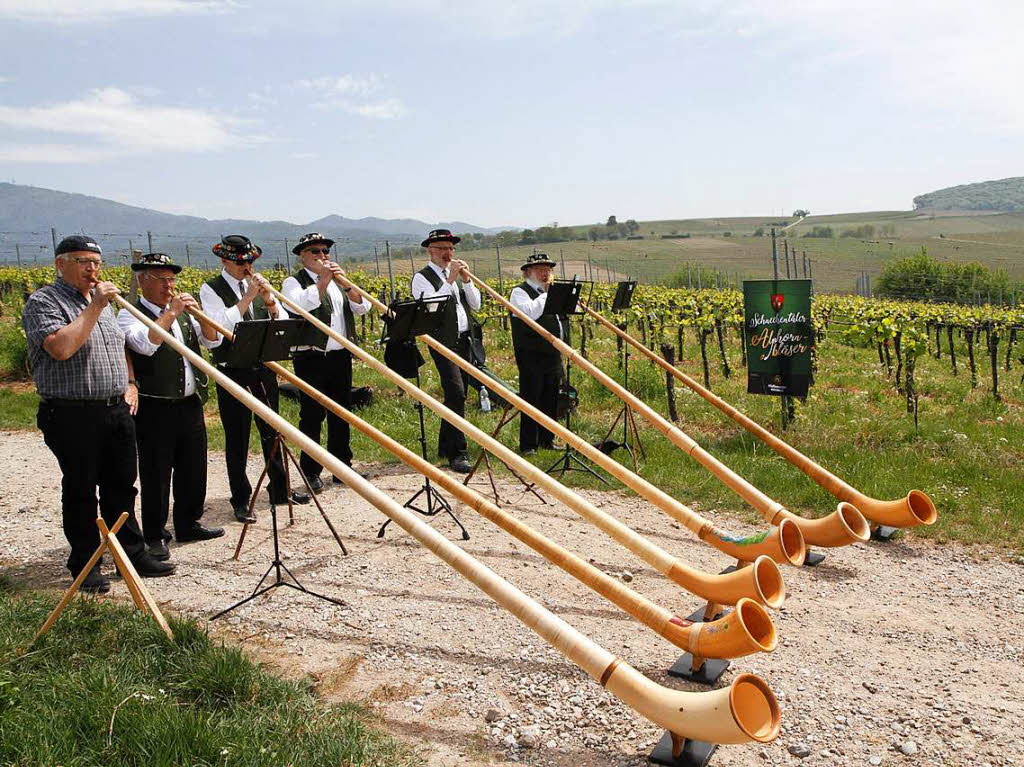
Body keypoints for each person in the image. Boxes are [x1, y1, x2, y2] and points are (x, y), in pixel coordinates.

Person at [22, 235, 174, 594]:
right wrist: (93, 308)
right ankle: (86, 563)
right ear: (60, 264)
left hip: (115, 408)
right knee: (81, 488)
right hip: (72, 411)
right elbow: (61, 348)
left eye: (96, 262)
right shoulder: (44, 301)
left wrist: (130, 381)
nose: (92, 269)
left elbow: (118, 347)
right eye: (81, 261)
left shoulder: (103, 303)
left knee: (122, 485)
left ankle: (130, 555)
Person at [117, 253, 225, 562]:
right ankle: (154, 534)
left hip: (189, 402)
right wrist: (171, 313)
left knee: (193, 467)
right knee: (156, 472)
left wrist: (200, 315)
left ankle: (188, 522)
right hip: (155, 406)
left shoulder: (180, 312)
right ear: (143, 281)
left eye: (172, 279)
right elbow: (146, 345)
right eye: (162, 280)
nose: (169, 286)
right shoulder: (129, 313)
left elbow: (212, 342)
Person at [199, 235, 309, 523]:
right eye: (240, 262)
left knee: (273, 430)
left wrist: (269, 301)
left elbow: (281, 320)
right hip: (232, 367)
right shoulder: (210, 289)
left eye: (250, 261)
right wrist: (247, 296)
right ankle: (240, 499)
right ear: (224, 261)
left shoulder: (257, 286)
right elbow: (218, 325)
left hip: (263, 365)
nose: (246, 266)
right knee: (238, 436)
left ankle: (279, 488)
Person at [281, 232, 371, 491]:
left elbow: (362, 307)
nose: (322, 256)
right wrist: (322, 281)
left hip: (339, 354)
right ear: (302, 256)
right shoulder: (293, 282)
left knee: (341, 412)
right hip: (311, 355)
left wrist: (348, 287)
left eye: (325, 252)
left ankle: (343, 468)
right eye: (315, 252)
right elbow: (299, 307)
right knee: (311, 414)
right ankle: (311, 471)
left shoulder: (337, 281)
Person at [410, 229, 489, 473]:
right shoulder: (422, 278)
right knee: (456, 394)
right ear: (430, 251)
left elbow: (475, 304)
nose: (448, 253)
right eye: (443, 248)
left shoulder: (454, 276)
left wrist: (466, 280)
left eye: (451, 248)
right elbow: (432, 306)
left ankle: (445, 446)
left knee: (459, 393)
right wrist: (450, 280)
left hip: (465, 341)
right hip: (442, 342)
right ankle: (458, 452)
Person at [509, 253, 569, 455]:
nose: (545, 274)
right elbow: (529, 314)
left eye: (548, 270)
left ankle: (547, 439)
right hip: (530, 352)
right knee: (531, 396)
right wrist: (547, 295)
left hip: (552, 352)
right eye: (540, 270)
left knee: (550, 397)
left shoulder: (549, 292)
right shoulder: (519, 292)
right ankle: (528, 444)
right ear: (529, 272)